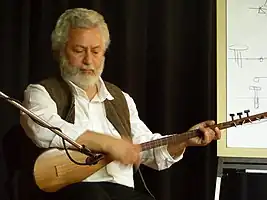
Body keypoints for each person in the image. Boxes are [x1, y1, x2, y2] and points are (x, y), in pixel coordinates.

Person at [20, 8, 221, 200]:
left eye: (96, 51)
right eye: (79, 50)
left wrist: (184, 140)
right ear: (60, 52)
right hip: (70, 191)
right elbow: (44, 128)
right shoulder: (42, 92)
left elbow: (148, 150)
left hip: (121, 191)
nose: (88, 60)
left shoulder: (121, 99)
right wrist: (108, 143)